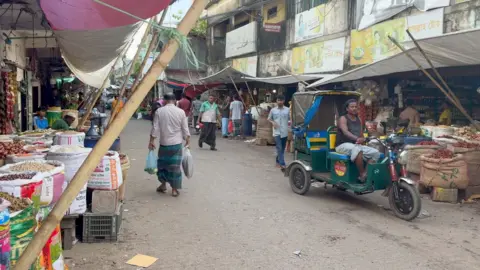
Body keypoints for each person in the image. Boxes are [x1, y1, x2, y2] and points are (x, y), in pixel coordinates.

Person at [149, 93, 190, 197]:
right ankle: (174, 189)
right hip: (176, 144)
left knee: (162, 165)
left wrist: (151, 141)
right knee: (175, 167)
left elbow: (155, 128)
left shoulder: (159, 111)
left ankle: (163, 185)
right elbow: (185, 128)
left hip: (164, 144)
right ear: (175, 100)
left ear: (164, 100)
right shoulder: (181, 112)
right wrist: (188, 140)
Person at [336, 99, 380, 182]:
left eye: (356, 107)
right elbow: (345, 132)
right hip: (342, 145)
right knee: (358, 150)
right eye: (352, 107)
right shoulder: (343, 118)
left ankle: (366, 174)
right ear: (347, 109)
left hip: (355, 145)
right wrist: (357, 139)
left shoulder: (359, 119)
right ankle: (362, 174)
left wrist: (364, 140)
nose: (354, 108)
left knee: (375, 153)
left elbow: (360, 133)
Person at [268, 95, 290, 170]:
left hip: (284, 132)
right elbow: (269, 118)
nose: (279, 102)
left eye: (281, 100)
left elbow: (290, 120)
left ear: (283, 101)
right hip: (276, 132)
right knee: (279, 148)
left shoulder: (288, 110)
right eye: (278, 100)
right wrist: (273, 122)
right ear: (276, 101)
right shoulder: (273, 110)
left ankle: (277, 161)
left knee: (282, 149)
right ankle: (282, 164)